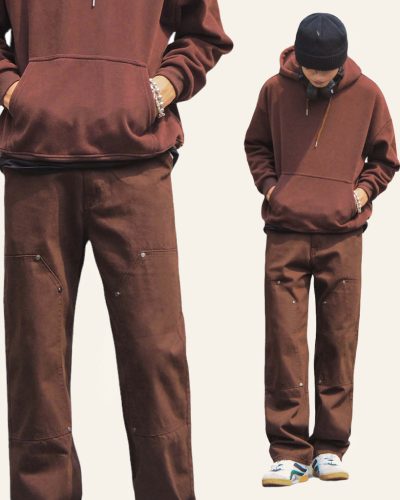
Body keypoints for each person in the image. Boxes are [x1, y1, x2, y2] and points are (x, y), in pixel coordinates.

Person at [0, 1, 233, 498]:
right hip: (36, 168)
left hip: (137, 167)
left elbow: (205, 32)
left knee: (155, 354)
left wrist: (162, 88)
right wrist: (15, 90)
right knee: (35, 357)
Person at [244, 12, 399, 487]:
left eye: (325, 69)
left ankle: (330, 447)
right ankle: (289, 451)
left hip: (343, 236)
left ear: (340, 62)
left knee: (338, 341)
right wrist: (272, 189)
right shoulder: (274, 90)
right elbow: (256, 145)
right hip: (285, 234)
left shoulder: (368, 94)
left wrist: (360, 194)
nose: (316, 75)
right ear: (299, 58)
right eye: (310, 67)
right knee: (284, 343)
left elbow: (385, 157)